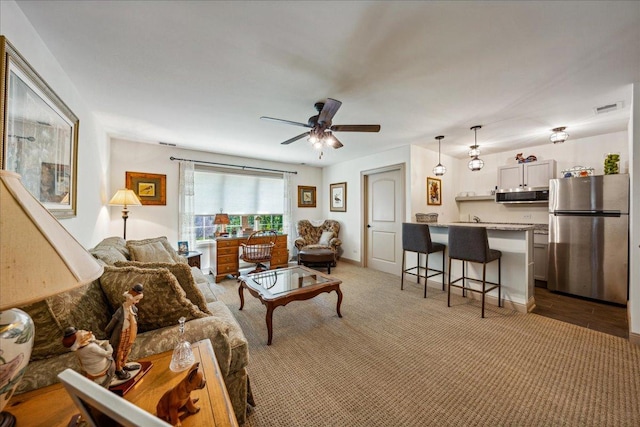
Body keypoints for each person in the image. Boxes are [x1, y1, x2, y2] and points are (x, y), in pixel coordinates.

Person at [105, 283, 144, 380]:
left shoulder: (134, 309)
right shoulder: (121, 311)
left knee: (127, 350)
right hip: (121, 334)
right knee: (119, 352)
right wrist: (107, 331)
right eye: (136, 300)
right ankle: (118, 369)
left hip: (130, 333)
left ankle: (123, 364)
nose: (137, 302)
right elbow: (113, 322)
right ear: (130, 298)